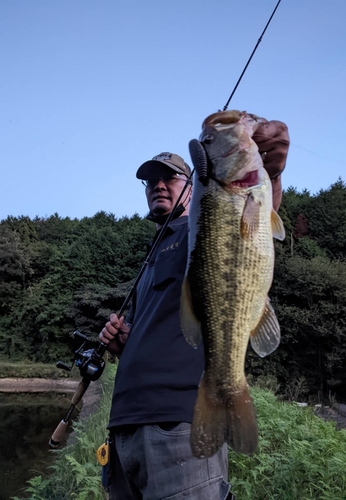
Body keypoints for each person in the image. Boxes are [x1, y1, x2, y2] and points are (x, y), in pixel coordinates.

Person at [99, 117, 290, 500]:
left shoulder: (195, 232)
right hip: (125, 428)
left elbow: (248, 212)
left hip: (178, 423)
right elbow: (175, 326)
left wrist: (271, 173)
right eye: (150, 181)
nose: (157, 185)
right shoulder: (152, 256)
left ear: (193, 186)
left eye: (169, 178)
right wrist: (126, 342)